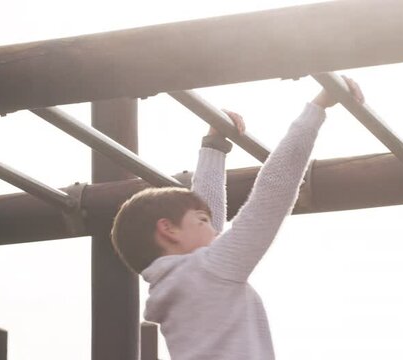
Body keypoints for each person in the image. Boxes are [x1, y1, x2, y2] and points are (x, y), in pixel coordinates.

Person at [111, 77, 364, 360]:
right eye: (202, 221)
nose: (216, 230)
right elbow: (272, 193)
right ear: (168, 230)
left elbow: (206, 212)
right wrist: (317, 109)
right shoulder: (208, 271)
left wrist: (214, 147)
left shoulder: (174, 287)